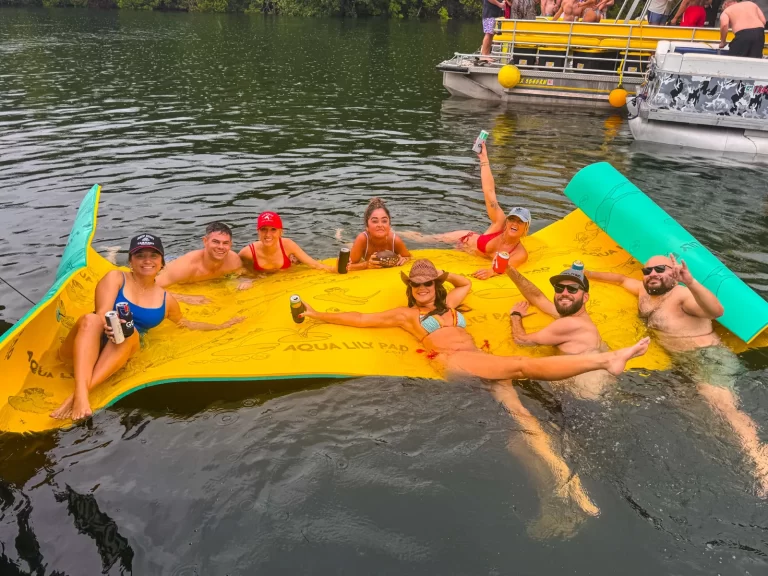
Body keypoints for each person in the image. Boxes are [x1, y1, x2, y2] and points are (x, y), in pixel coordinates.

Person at [300, 258, 650, 519]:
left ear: (437, 285)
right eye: (417, 285)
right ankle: (606, 361)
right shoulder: (406, 315)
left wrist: (441, 274)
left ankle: (569, 486)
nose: (422, 289)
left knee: (522, 417)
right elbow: (360, 319)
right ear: (410, 289)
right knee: (521, 365)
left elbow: (464, 283)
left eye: (428, 284)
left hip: (479, 359)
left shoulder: (449, 304)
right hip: (456, 362)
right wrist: (315, 315)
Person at [587, 254, 768, 494]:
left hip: (707, 359)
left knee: (726, 410)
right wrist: (583, 273)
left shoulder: (682, 296)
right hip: (682, 364)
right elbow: (620, 279)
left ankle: (760, 461)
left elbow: (715, 311)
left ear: (673, 272)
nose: (652, 274)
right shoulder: (645, 291)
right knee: (705, 417)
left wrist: (691, 282)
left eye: (659, 269)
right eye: (647, 270)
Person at [50, 234, 245, 421]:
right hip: (86, 343)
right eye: (140, 255)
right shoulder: (116, 278)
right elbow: (102, 313)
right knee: (91, 319)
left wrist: (221, 326)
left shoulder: (166, 299)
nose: (147, 260)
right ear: (130, 261)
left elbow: (184, 323)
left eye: (153, 255)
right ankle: (81, 397)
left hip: (120, 350)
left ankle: (75, 397)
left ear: (162, 262)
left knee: (131, 332)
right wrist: (109, 326)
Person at [400, 142, 530, 280]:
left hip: (466, 255)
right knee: (422, 240)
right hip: (463, 239)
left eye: (520, 222)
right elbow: (489, 192)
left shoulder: (520, 253)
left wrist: (491, 272)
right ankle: (395, 233)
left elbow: (505, 268)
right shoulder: (500, 222)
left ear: (526, 227)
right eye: (512, 219)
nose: (514, 224)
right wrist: (484, 159)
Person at [507, 262, 612, 399]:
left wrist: (515, 315)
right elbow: (538, 298)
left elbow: (520, 340)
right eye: (559, 288)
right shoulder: (580, 318)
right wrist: (509, 269)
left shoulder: (570, 323)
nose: (564, 293)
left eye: (572, 289)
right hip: (597, 388)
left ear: (585, 297)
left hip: (581, 397)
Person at [156, 222, 244, 304]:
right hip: (168, 263)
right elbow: (148, 288)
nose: (221, 247)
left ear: (230, 244)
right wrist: (185, 298)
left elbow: (242, 274)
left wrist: (245, 281)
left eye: (225, 243)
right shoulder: (186, 266)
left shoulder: (233, 260)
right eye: (216, 242)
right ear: (205, 241)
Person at [239, 211, 335, 275]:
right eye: (263, 229)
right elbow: (236, 273)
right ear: (258, 232)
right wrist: (247, 280)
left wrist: (333, 269)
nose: (268, 234)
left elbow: (314, 264)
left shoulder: (288, 245)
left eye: (273, 229)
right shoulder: (247, 253)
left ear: (281, 232)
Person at [348, 198, 411, 271]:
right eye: (375, 221)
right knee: (348, 244)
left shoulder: (395, 240)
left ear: (389, 225)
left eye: (384, 221)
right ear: (367, 227)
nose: (380, 225)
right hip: (362, 246)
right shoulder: (362, 239)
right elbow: (348, 266)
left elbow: (409, 257)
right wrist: (366, 264)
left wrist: (404, 259)